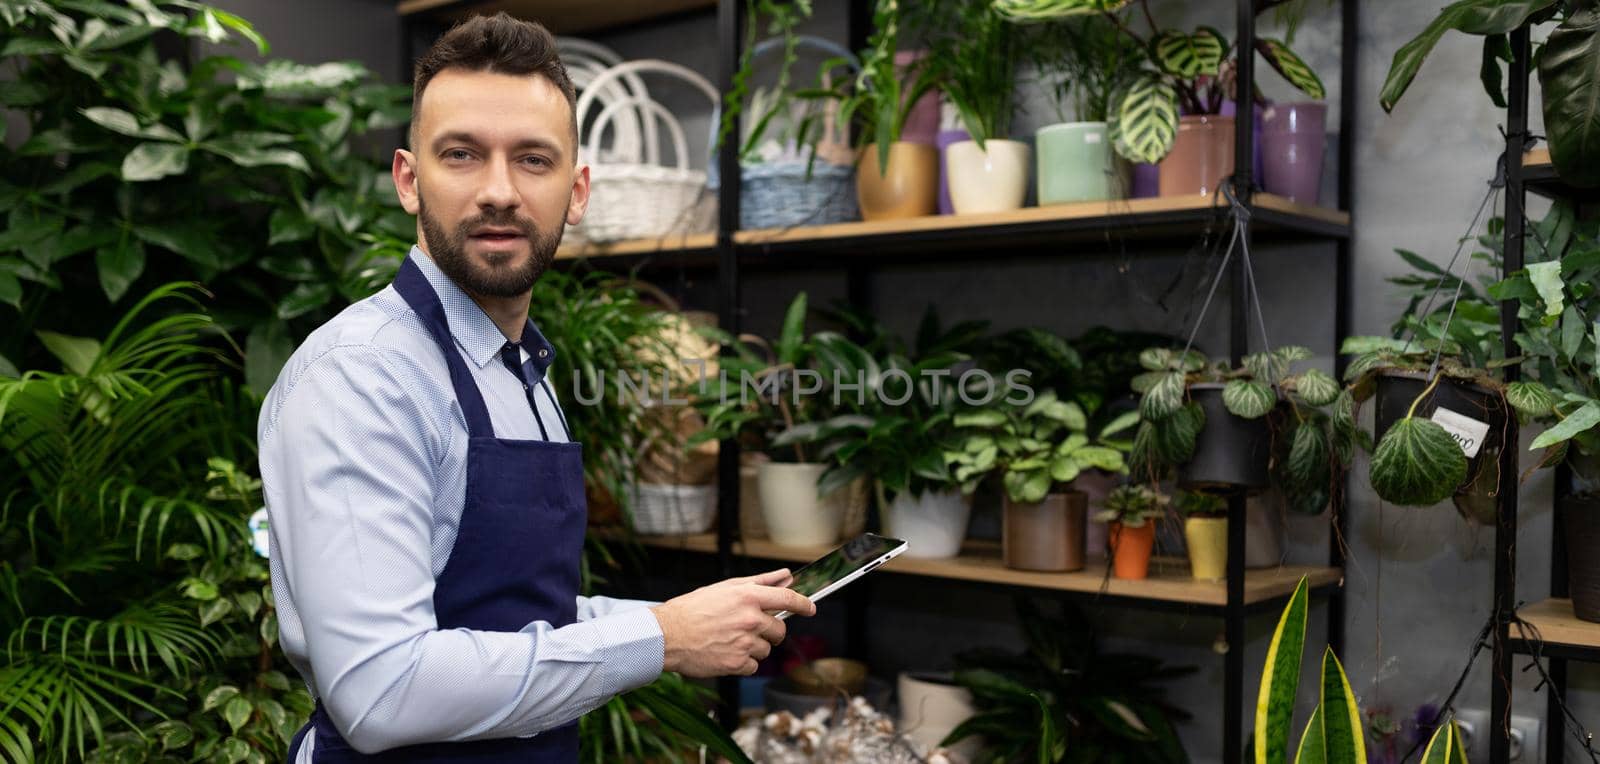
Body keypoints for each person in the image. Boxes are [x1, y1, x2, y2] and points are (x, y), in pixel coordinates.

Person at [258, 13, 814, 762]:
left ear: (576, 191)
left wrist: (682, 619)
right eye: (461, 155)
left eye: (533, 160)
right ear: (408, 180)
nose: (498, 191)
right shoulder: (360, 378)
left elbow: (516, 616)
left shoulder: (523, 371)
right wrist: (659, 639)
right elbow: (381, 690)